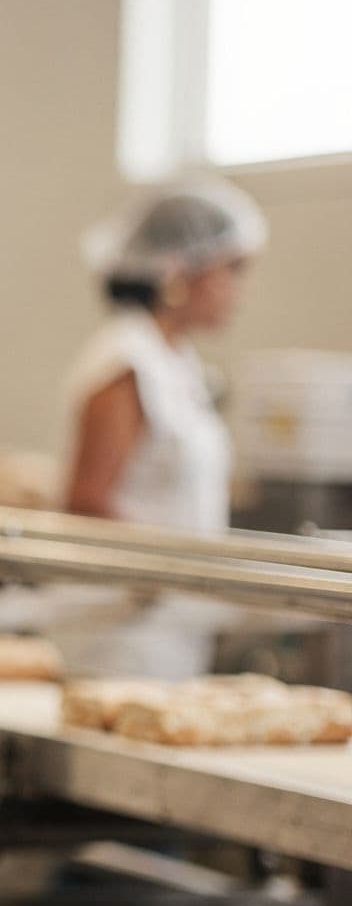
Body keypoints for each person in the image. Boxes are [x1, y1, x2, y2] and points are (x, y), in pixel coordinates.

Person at [56, 177, 266, 680]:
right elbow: (87, 502)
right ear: (179, 268)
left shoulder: (175, 360)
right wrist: (181, 568)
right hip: (123, 636)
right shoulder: (127, 362)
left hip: (172, 623)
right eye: (231, 269)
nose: (239, 290)